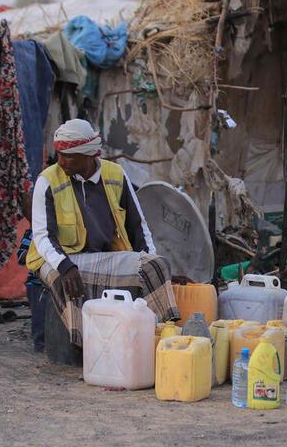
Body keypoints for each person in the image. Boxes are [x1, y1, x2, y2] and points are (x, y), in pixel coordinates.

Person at [25, 118, 179, 348]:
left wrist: (147, 260)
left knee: (155, 266)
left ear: (89, 155)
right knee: (62, 280)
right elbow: (43, 236)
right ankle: (86, 347)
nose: (62, 161)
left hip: (104, 257)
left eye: (69, 156)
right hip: (58, 260)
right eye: (60, 154)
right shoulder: (47, 180)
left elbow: (138, 225)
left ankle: (165, 337)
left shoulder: (116, 174)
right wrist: (66, 267)